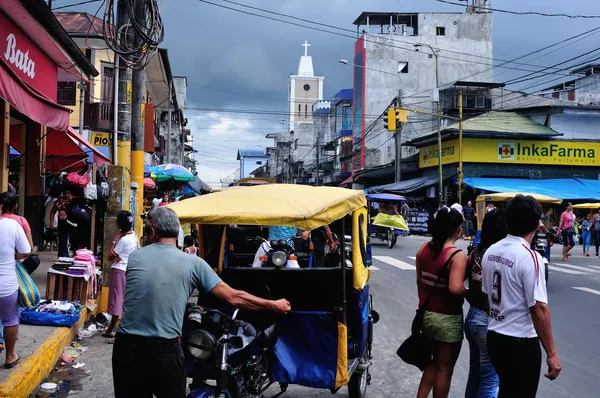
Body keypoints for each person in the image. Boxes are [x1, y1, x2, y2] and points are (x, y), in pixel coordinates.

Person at [112, 207, 291, 397]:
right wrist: (274, 305)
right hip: (164, 349)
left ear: (153, 232)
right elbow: (234, 297)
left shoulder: (135, 257)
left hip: (126, 347)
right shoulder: (193, 263)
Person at [482, 195, 561, 398]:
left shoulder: (491, 251)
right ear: (536, 225)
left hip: (495, 337)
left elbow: (486, 297)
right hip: (520, 343)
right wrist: (551, 354)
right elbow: (539, 308)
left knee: (506, 390)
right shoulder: (530, 257)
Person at [415, 208, 468, 398]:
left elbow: (420, 282)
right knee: (445, 369)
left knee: (432, 363)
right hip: (448, 318)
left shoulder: (423, 249)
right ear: (458, 230)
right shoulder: (457, 255)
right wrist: (470, 293)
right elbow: (455, 288)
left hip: (427, 315)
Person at [465, 209, 507, 398]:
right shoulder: (497, 257)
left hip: (472, 317)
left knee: (475, 374)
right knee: (490, 379)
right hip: (486, 320)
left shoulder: (475, 252)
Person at [0, 203, 31, 369]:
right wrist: (13, 254)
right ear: (15, 206)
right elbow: (27, 251)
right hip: (6, 283)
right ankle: (10, 356)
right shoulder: (13, 225)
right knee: (10, 319)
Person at [103, 211, 139, 339]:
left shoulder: (123, 240)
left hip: (119, 270)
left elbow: (110, 256)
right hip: (128, 269)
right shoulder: (134, 236)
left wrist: (115, 241)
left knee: (116, 300)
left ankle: (110, 329)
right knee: (124, 298)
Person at [50, 188, 73, 258]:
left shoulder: (73, 200)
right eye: (65, 193)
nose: (67, 195)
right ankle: (63, 255)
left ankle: (69, 253)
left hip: (72, 222)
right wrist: (51, 222)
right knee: (62, 239)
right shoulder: (59, 201)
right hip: (62, 222)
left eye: (68, 193)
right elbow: (52, 212)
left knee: (73, 239)